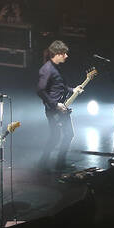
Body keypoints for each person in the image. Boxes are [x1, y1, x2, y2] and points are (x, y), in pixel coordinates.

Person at [37, 41, 74, 172]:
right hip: (54, 110)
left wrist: (73, 90)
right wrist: (55, 105)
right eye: (64, 53)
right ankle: (43, 164)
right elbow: (40, 90)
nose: (66, 56)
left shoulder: (57, 67)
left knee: (68, 134)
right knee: (56, 136)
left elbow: (59, 86)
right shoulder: (47, 69)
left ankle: (60, 163)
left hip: (62, 108)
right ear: (56, 54)